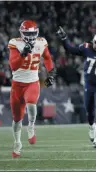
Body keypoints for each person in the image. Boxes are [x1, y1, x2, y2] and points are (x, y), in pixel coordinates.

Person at [56, 27, 96, 148]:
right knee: (90, 111)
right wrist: (64, 38)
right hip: (89, 85)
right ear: (93, 42)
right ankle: (91, 127)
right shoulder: (86, 48)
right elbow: (70, 49)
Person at [8, 20, 56, 158]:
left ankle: (31, 125)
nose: (30, 36)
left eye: (33, 33)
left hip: (32, 82)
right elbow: (14, 66)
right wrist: (23, 53)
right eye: (27, 33)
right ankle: (17, 143)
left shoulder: (41, 42)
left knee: (31, 104)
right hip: (17, 84)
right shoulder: (15, 43)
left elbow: (47, 58)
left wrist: (51, 72)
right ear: (21, 33)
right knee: (17, 118)